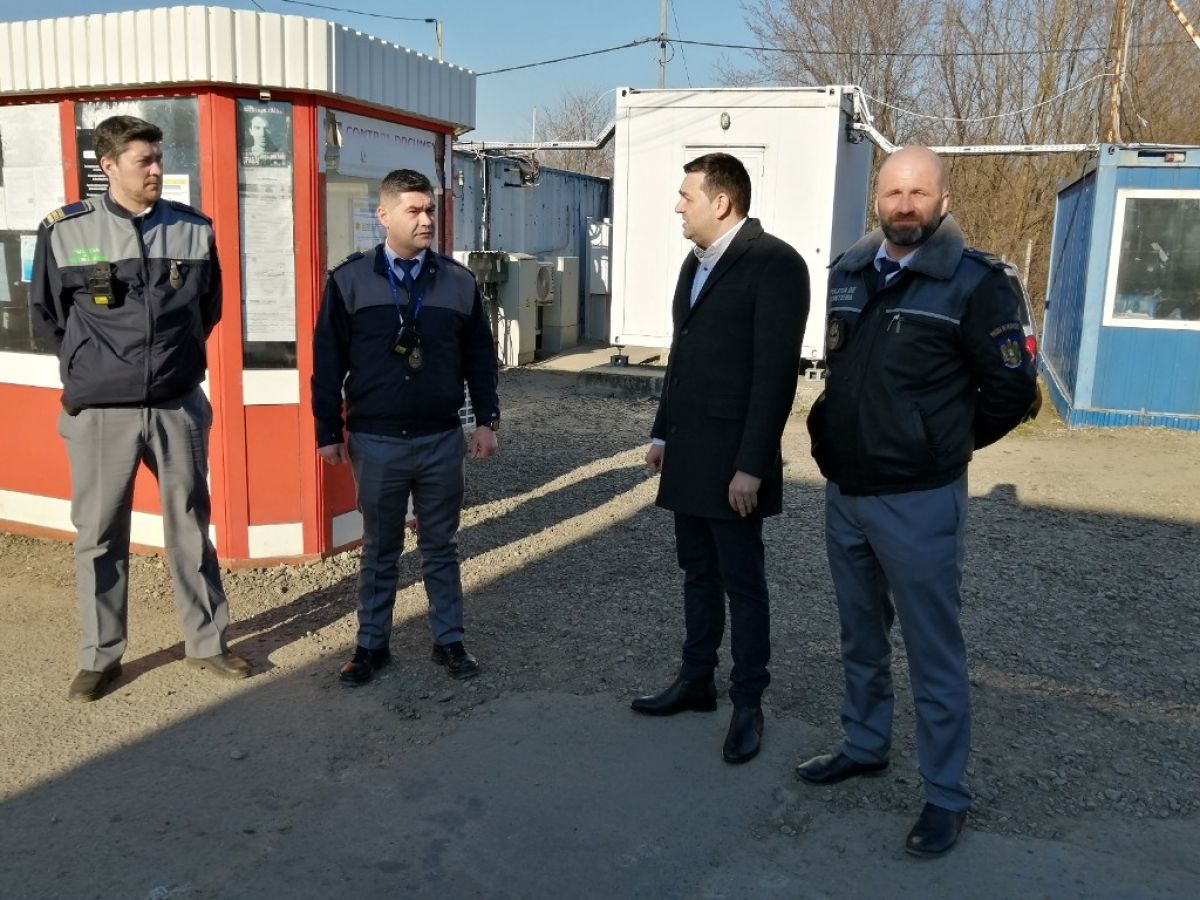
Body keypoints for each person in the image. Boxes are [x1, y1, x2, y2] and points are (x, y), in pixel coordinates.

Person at [797, 145, 1037, 857]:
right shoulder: (849, 273)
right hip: (848, 493)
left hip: (920, 502)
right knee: (860, 636)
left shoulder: (976, 283)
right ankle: (864, 743)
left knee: (933, 652)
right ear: (878, 198)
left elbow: (1011, 391)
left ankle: (945, 795)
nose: (904, 206)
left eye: (919, 193)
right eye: (893, 192)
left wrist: (938, 444)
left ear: (944, 200)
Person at [31, 115, 250, 703]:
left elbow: (208, 309)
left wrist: (171, 366)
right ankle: (100, 657)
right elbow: (49, 317)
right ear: (108, 166)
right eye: (143, 160)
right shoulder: (65, 231)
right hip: (102, 411)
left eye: (158, 158)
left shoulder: (192, 229)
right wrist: (96, 370)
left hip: (177, 404)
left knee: (190, 526)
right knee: (99, 534)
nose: (156, 169)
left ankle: (207, 643)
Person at [631, 152, 809, 765]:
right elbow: (682, 356)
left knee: (742, 582)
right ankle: (696, 680)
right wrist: (662, 434)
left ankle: (748, 703)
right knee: (696, 572)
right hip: (689, 452)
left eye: (687, 196)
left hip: (735, 462)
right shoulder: (696, 262)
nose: (678, 207)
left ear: (722, 202)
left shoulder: (775, 264)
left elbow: (775, 374)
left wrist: (752, 465)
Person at [312, 168, 499, 686]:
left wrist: (486, 420)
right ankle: (371, 646)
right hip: (376, 441)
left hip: (440, 439)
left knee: (441, 545)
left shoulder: (458, 282)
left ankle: (449, 641)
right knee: (380, 548)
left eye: (429, 210)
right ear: (384, 215)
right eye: (413, 210)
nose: (426, 220)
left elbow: (480, 358)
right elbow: (327, 361)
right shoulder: (349, 280)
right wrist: (327, 430)